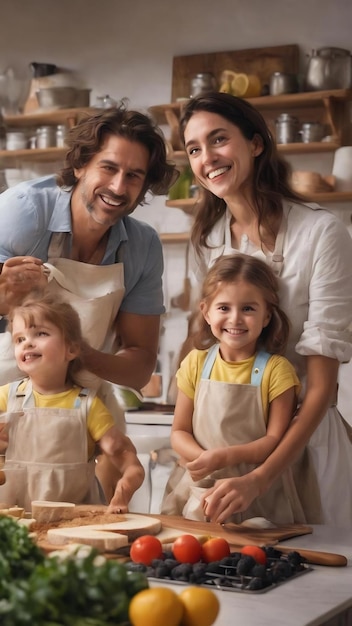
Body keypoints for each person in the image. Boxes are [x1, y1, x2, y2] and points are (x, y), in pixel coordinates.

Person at [176, 92, 352, 527]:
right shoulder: (207, 242)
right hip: (225, 452)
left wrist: (259, 477)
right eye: (194, 149)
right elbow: (202, 347)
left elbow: (320, 387)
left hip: (303, 445)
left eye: (219, 140)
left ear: (256, 143)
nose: (207, 158)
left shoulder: (321, 233)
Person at [0, 102, 177, 500]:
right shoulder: (23, 212)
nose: (118, 187)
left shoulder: (142, 246)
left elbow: (137, 368)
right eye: (109, 168)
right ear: (80, 164)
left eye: (134, 176)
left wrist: (73, 355)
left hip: (81, 407)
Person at [162, 254, 321, 523]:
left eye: (248, 309)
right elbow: (179, 431)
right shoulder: (195, 363)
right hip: (200, 487)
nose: (235, 319)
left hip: (259, 495)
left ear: (267, 315)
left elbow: (272, 442)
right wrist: (205, 459)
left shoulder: (278, 371)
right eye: (224, 308)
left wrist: (222, 457)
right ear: (206, 311)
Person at [0, 292, 144, 513]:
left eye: (41, 333)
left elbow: (129, 463)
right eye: (20, 339)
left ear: (72, 349)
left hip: (75, 524)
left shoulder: (88, 406)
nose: (28, 343)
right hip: (16, 523)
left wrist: (123, 490)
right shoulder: (5, 398)